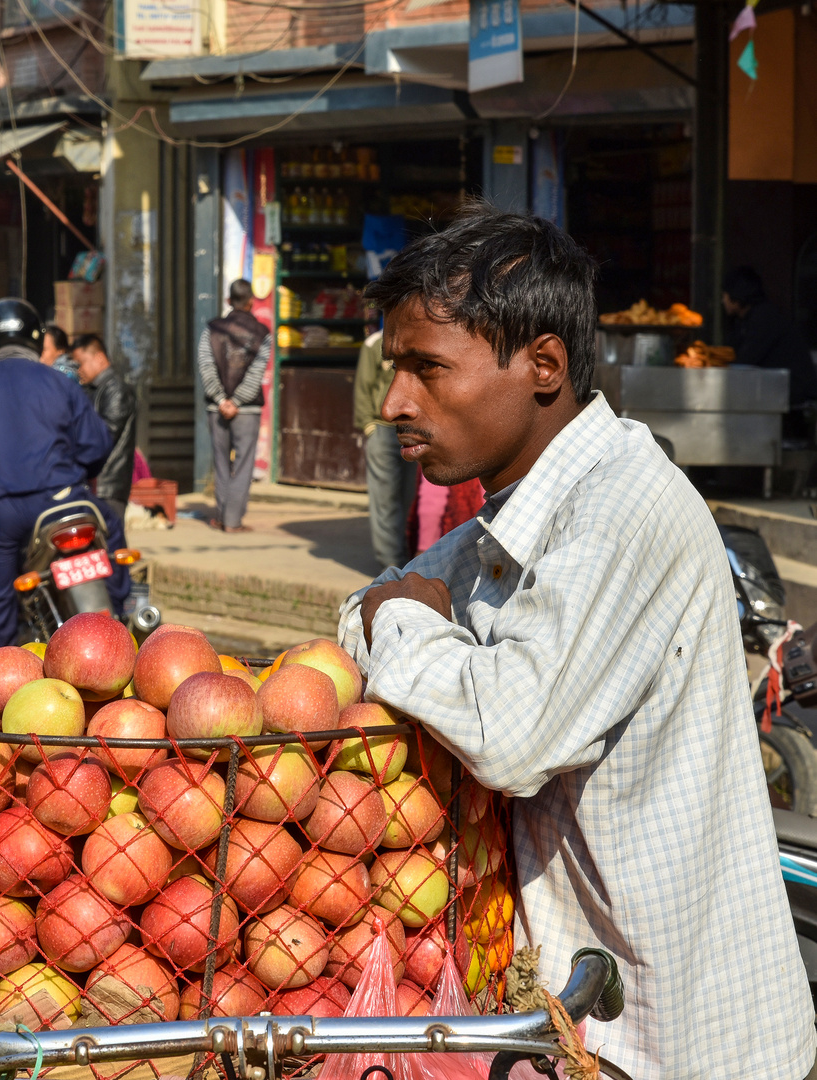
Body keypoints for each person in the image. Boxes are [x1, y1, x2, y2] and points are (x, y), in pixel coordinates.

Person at [342, 205, 815, 1079]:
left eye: (427, 369)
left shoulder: (621, 505)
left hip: (682, 1041)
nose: (394, 402)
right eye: (394, 367)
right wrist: (400, 615)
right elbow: (364, 604)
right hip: (581, 1018)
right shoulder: (520, 508)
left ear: (544, 366)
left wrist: (406, 621)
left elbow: (507, 731)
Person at [0, 298, 112, 648]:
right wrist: (72, 478)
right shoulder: (61, 384)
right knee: (111, 547)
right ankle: (126, 622)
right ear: (35, 339)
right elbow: (97, 445)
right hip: (62, 503)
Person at [197, 279, 271, 533]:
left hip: (215, 408)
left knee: (220, 462)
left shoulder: (211, 329)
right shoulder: (263, 333)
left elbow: (206, 367)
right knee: (242, 465)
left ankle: (221, 517)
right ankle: (233, 521)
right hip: (246, 410)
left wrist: (220, 400)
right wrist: (237, 401)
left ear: (229, 301)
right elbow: (256, 372)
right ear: (251, 301)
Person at [71, 333, 135, 613]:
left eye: (82, 363)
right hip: (94, 483)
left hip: (108, 484)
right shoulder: (94, 389)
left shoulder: (116, 389)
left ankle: (115, 612)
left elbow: (104, 436)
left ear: (99, 358)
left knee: (108, 551)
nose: (79, 370)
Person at [355, 329, 417, 568]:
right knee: (385, 500)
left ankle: (404, 558)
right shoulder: (374, 344)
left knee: (406, 496)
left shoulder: (415, 337)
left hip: (410, 429)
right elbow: (363, 387)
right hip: (381, 430)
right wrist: (368, 426)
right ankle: (390, 565)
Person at [724, 265, 817, 413]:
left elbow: (745, 362)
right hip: (776, 390)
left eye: (725, 295)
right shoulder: (745, 321)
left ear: (735, 296)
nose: (723, 300)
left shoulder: (764, 319)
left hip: (794, 393)